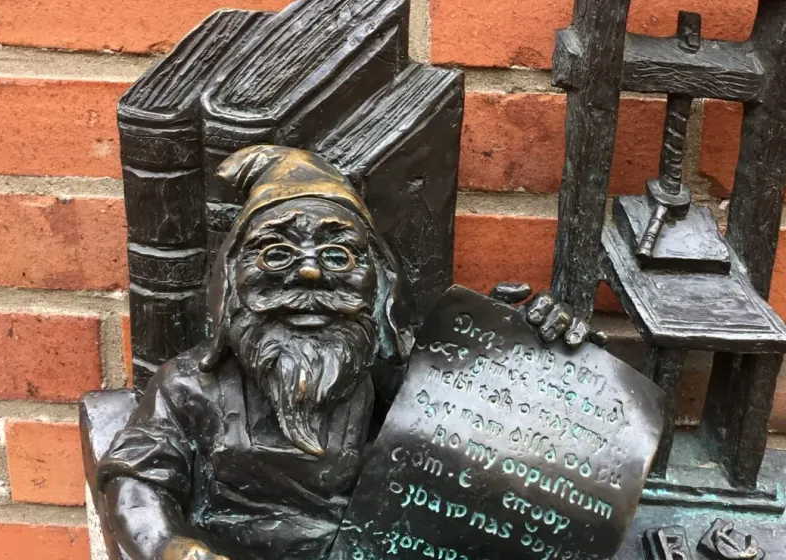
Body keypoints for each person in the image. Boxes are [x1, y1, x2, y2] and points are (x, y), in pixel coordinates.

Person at [97, 146, 594, 560]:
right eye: (276, 253)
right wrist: (168, 546)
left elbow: (495, 442)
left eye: (338, 255)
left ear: (378, 284)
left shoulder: (395, 383)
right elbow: (137, 477)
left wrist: (530, 354)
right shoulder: (189, 387)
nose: (310, 274)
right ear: (231, 280)